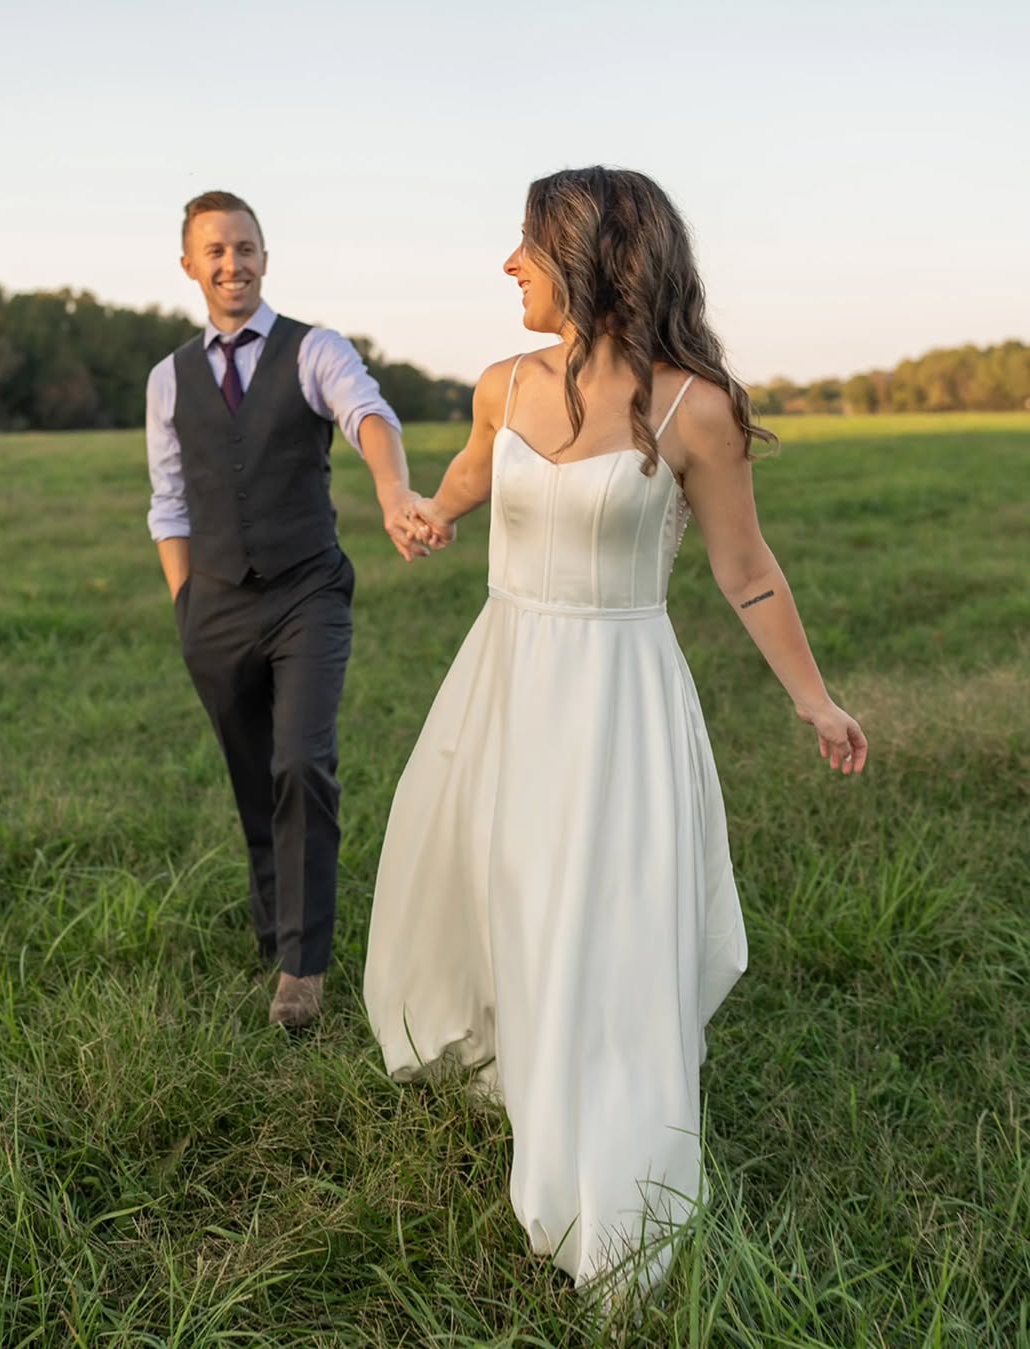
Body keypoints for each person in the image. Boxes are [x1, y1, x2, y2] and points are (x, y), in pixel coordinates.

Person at [364, 167, 868, 1291]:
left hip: (617, 699)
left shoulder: (697, 408)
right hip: (504, 678)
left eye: (528, 244)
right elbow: (469, 471)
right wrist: (432, 513)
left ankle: (610, 1167)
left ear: (593, 257)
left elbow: (745, 567)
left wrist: (814, 697)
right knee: (504, 892)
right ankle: (530, 1071)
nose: (508, 265)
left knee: (599, 920)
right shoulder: (503, 383)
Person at [146, 190, 425, 1029]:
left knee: (301, 763)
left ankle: (303, 968)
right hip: (215, 608)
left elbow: (368, 414)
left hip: (307, 591)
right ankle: (276, 931)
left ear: (266, 256)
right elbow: (169, 503)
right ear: (190, 265)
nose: (234, 263)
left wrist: (391, 487)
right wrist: (189, 604)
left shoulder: (315, 349)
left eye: (247, 247)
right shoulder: (169, 379)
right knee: (251, 777)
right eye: (216, 251)